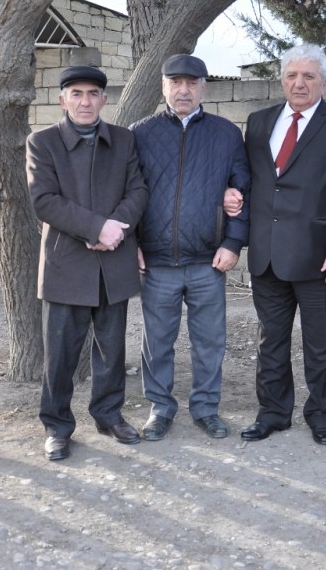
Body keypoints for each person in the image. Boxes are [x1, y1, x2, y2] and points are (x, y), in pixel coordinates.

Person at [242, 43, 326, 446]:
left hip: (321, 260)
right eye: (292, 76)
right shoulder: (259, 122)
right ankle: (274, 412)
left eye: (309, 76)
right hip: (267, 254)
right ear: (282, 80)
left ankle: (322, 413)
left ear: (324, 82)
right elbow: (255, 182)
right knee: (271, 342)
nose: (299, 83)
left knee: (325, 344)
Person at [26, 65, 148, 461]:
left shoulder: (124, 140)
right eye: (75, 93)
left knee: (112, 350)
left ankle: (108, 414)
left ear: (104, 99)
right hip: (68, 263)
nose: (85, 101)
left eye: (93, 93)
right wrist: (96, 228)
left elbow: (138, 190)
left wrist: (117, 230)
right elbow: (44, 201)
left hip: (115, 261)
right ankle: (57, 427)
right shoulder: (42, 143)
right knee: (61, 353)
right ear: (62, 100)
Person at [131, 54, 250, 441]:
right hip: (157, 262)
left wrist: (233, 242)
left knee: (210, 342)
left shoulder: (226, 134)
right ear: (164, 86)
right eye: (175, 82)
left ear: (204, 88)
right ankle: (160, 408)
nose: (183, 90)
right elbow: (127, 193)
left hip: (207, 262)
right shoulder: (140, 133)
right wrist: (132, 242)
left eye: (191, 82)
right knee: (158, 342)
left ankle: (205, 408)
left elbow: (243, 192)